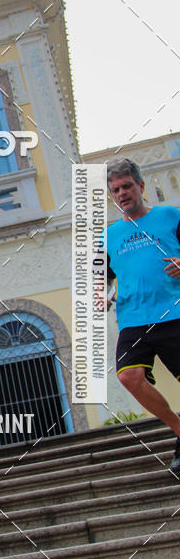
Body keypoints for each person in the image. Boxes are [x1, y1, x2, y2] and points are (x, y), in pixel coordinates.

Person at [106, 158, 180, 472]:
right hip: (134, 319)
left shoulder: (170, 216)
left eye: (127, 186)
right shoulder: (107, 237)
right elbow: (101, 280)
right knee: (128, 376)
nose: (122, 193)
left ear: (141, 186)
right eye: (116, 190)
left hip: (174, 312)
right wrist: (101, 295)